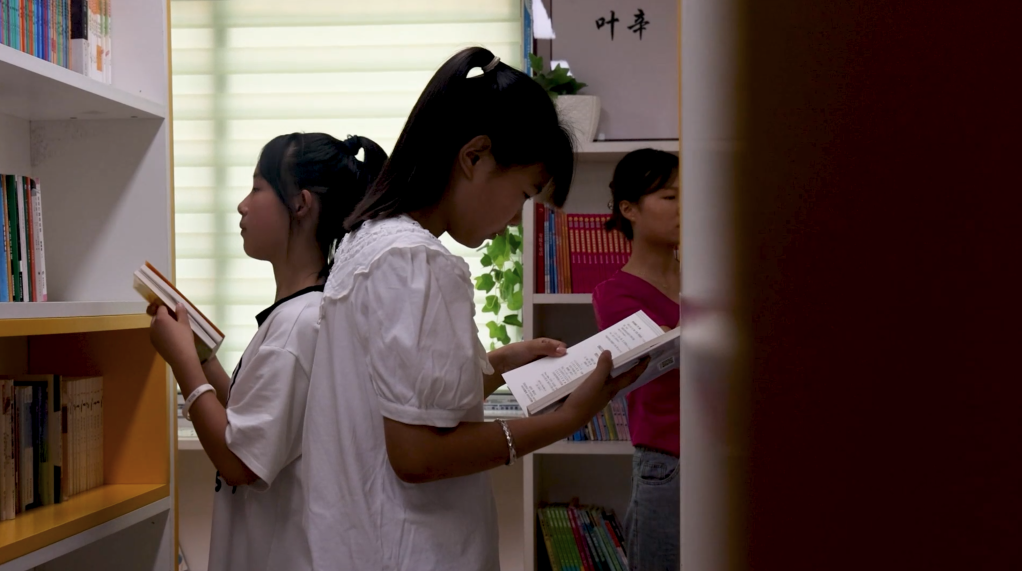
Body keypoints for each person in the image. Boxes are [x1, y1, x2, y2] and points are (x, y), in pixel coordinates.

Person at [301, 47, 649, 570]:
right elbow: (418, 455)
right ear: (475, 156)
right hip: (414, 552)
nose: (514, 220)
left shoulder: (368, 241)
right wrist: (570, 417)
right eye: (524, 193)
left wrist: (501, 364)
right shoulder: (417, 260)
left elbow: (399, 399)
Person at [148, 133, 386, 571]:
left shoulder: (297, 326)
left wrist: (182, 365)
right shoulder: (307, 312)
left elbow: (239, 461)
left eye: (257, 188)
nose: (242, 206)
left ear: (300, 204)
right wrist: (202, 358)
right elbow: (254, 419)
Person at [592, 148, 681, 571]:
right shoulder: (615, 294)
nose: (686, 208)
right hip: (668, 463)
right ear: (629, 209)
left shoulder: (714, 277)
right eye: (671, 197)